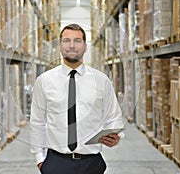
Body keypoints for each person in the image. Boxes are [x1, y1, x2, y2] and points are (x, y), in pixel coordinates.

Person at [30, 23, 124, 174]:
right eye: (66, 40)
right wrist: (40, 159)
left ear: (85, 46)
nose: (72, 45)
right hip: (56, 162)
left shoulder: (101, 81)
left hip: (91, 162)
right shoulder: (44, 81)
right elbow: (37, 121)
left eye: (77, 41)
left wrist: (117, 136)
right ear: (60, 45)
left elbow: (114, 117)